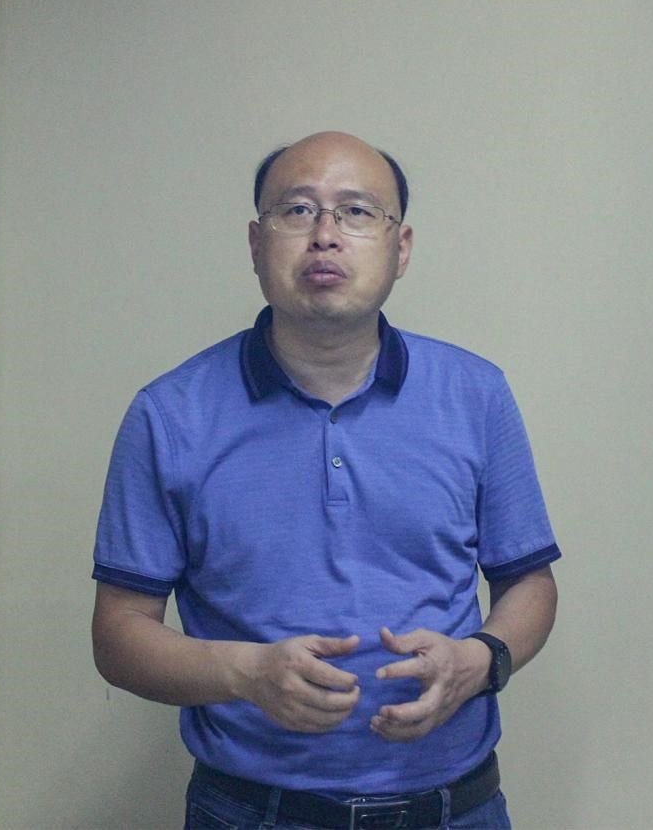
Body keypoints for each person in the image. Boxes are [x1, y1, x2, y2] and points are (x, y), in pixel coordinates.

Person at [90, 131, 559, 829]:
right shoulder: (170, 414)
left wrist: (480, 660)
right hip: (251, 812)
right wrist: (245, 674)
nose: (325, 235)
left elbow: (530, 584)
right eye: (297, 210)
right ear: (256, 244)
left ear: (401, 248)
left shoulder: (475, 394)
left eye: (357, 212)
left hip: (455, 808)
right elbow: (118, 633)